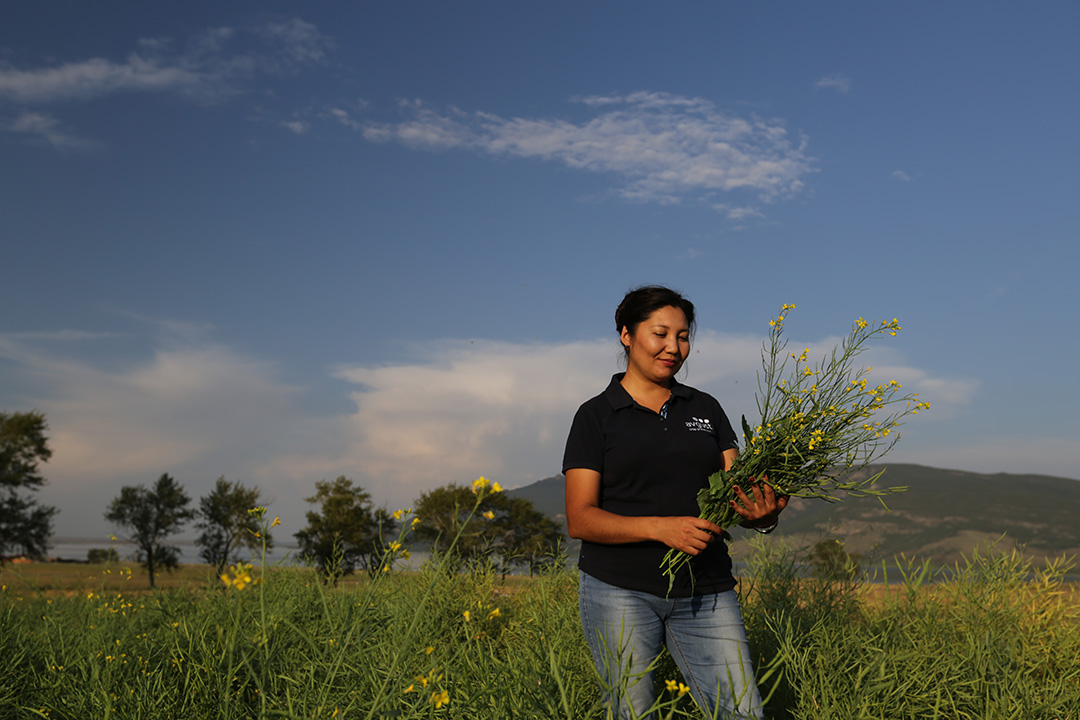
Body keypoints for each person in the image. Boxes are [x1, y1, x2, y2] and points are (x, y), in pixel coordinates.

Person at [563, 285, 787, 720]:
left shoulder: (706, 408)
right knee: (634, 713)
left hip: (706, 590)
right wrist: (660, 528)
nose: (673, 347)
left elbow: (732, 494)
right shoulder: (595, 416)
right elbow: (580, 518)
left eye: (683, 336)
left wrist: (763, 518)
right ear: (626, 335)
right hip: (618, 590)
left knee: (741, 712)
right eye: (660, 333)